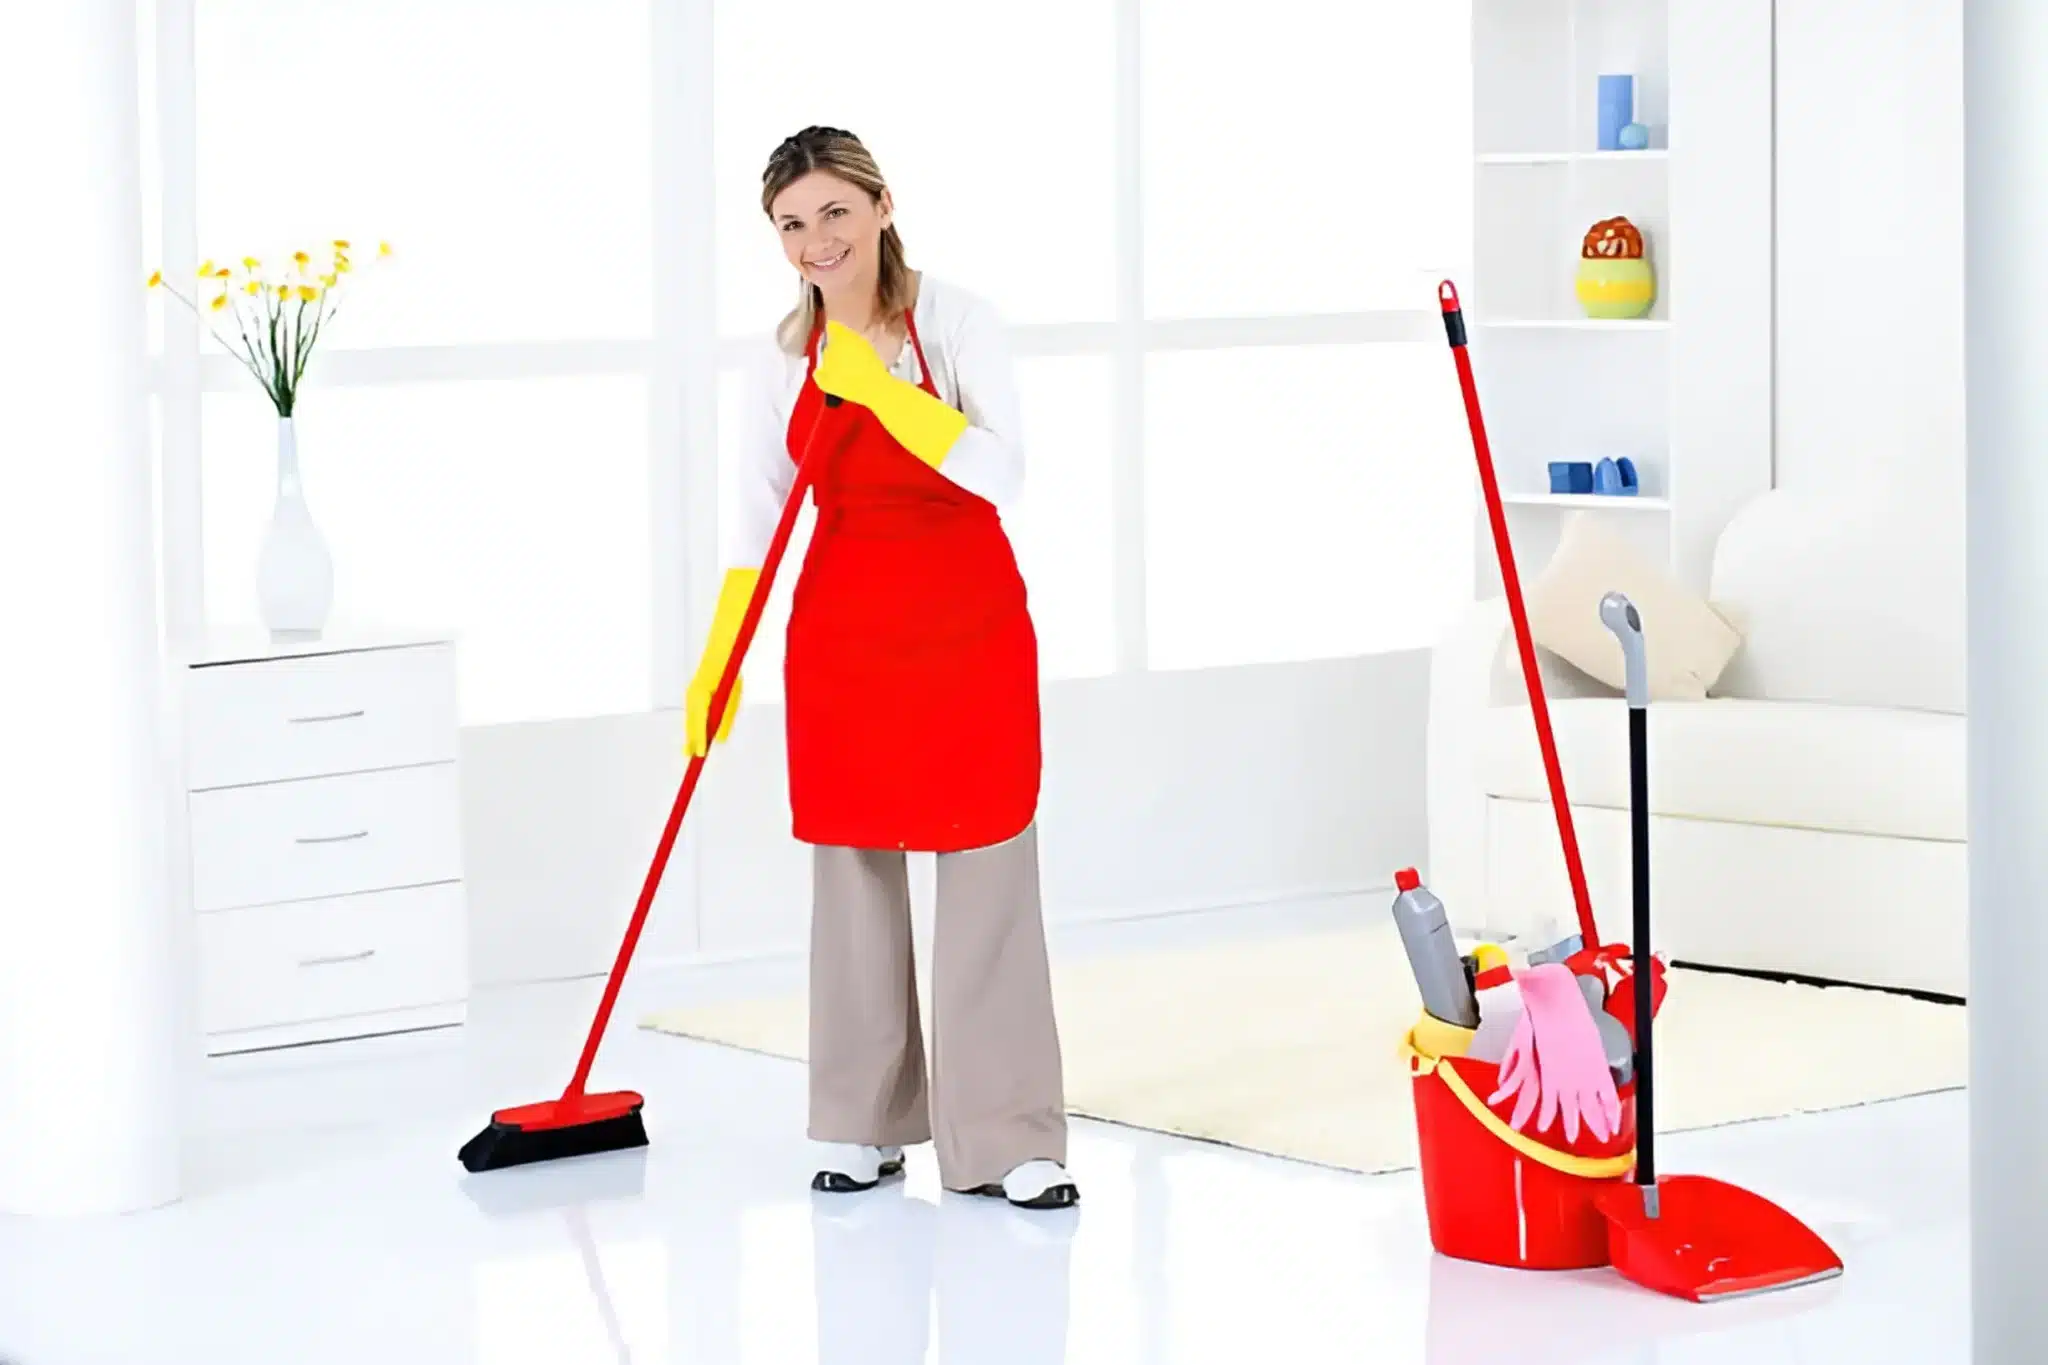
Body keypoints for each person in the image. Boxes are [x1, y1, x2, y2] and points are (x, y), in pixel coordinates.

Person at [686, 125, 1076, 1210]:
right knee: (853, 882)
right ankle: (860, 1123)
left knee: (986, 868)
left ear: (881, 205)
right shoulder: (777, 359)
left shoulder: (957, 323)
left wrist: (887, 391)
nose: (816, 242)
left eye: (833, 213)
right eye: (791, 225)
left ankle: (1008, 1137)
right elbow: (758, 520)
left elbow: (999, 471)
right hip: (845, 637)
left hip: (966, 629)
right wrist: (717, 658)